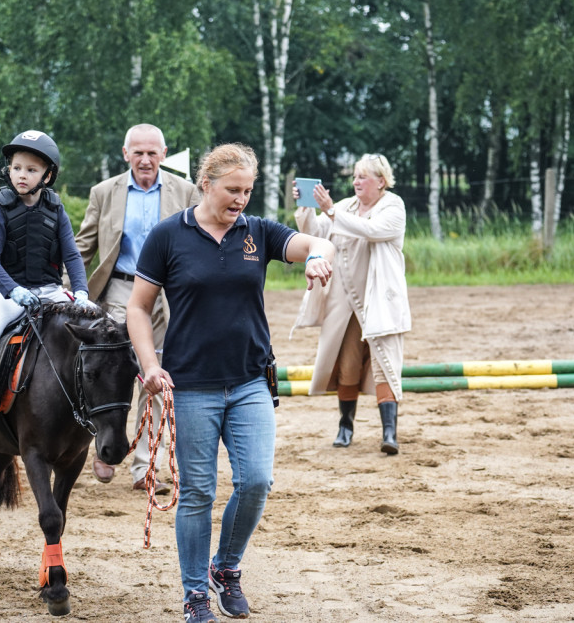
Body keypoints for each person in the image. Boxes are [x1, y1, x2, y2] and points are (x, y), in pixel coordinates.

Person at [127, 143, 335, 623]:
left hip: (249, 381)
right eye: (232, 190)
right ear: (206, 184)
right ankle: (195, 593)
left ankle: (226, 568)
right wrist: (149, 364)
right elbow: (137, 307)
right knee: (198, 492)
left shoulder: (257, 232)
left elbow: (313, 243)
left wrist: (315, 257)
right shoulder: (168, 236)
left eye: (247, 190)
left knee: (257, 480)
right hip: (192, 384)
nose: (241, 199)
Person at [73, 123, 198, 492]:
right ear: (125, 154)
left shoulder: (186, 191)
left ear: (163, 154)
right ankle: (104, 448)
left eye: (152, 152)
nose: (145, 159)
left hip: (165, 299)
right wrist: (69, 290)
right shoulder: (104, 192)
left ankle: (145, 468)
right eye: (138, 152)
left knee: (154, 379)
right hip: (118, 294)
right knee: (107, 376)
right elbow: (84, 246)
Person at [0, 130, 96, 434]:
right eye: (17, 168)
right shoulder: (0, 206)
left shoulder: (56, 208)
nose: (22, 175)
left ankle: (89, 402)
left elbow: (72, 255)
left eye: (31, 170)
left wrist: (82, 292)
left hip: (51, 292)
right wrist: (13, 291)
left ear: (47, 176)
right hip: (12, 295)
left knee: (93, 329)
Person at [291, 153, 411, 454]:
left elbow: (372, 231)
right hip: (345, 302)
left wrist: (331, 211)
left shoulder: (393, 206)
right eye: (355, 176)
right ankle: (345, 427)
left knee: (386, 365)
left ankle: (389, 433)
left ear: (381, 181)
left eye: (363, 176)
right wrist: (307, 207)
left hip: (381, 300)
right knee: (347, 366)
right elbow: (315, 234)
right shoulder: (344, 206)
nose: (356, 181)